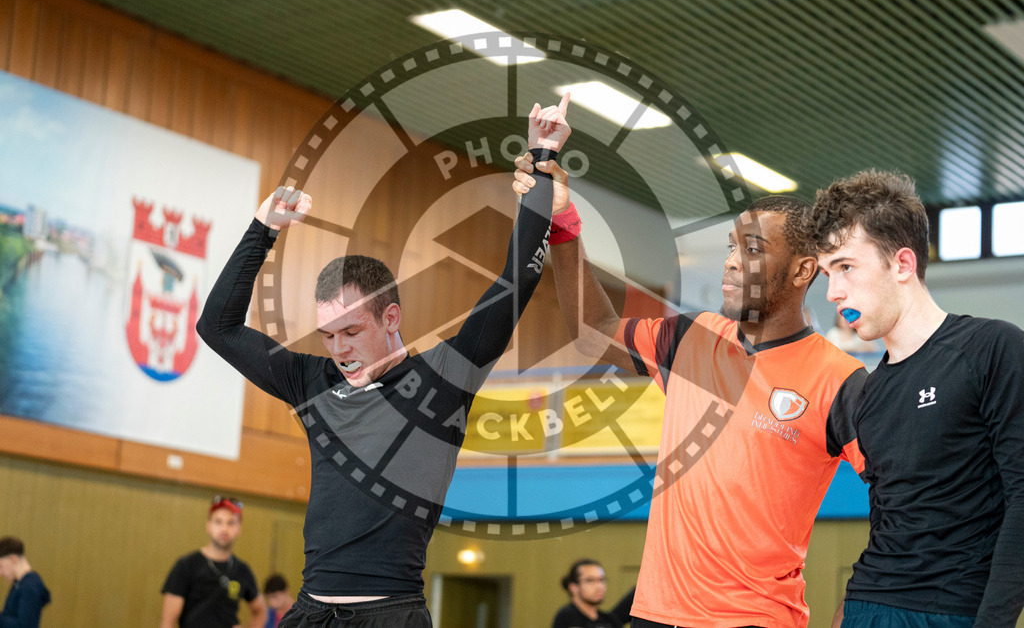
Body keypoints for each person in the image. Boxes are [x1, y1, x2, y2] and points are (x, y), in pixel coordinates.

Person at [196, 97, 569, 627]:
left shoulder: (444, 378)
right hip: (309, 614)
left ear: (391, 316)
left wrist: (542, 154)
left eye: (352, 331)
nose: (339, 348)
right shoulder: (310, 380)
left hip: (391, 614)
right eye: (327, 335)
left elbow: (517, 280)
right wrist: (263, 228)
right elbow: (218, 327)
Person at [513, 156, 867, 627]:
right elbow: (592, 330)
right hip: (654, 616)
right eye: (731, 246)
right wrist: (561, 220)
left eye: (753, 249)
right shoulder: (693, 337)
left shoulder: (840, 379)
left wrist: (856, 612)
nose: (732, 261)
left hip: (754, 620)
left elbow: (905, 505)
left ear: (804, 271)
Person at [809, 170, 1024, 627]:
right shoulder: (869, 392)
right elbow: (890, 519)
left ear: (903, 264)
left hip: (952, 610)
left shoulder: (992, 349)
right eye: (828, 273)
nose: (833, 292)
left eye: (846, 267)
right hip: (868, 606)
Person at [160, 496, 266, 628]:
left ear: (239, 528)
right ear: (208, 525)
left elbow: (260, 610)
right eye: (218, 521)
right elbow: (167, 622)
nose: (224, 528)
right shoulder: (186, 565)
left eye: (231, 523)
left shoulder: (242, 570)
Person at [552, 559, 633, 628]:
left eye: (601, 580)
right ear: (573, 587)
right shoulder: (567, 616)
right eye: (590, 580)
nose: (599, 586)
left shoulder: (610, 619)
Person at [0, 536, 50, 628]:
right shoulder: (19, 583)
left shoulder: (30, 587)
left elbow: (25, 626)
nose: (0, 573)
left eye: (1, 566)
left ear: (13, 559)